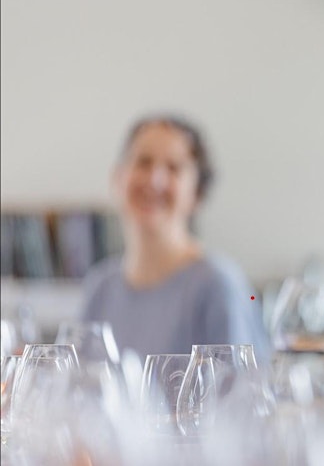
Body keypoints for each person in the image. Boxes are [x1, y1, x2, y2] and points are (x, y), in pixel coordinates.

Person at [81, 114, 271, 363]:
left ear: (197, 193)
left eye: (173, 168)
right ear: (117, 177)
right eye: (143, 162)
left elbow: (244, 386)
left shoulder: (219, 286)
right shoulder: (101, 288)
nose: (154, 180)